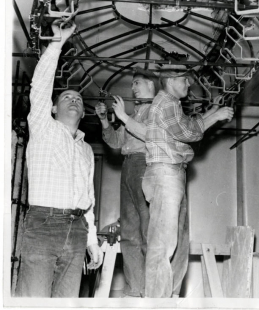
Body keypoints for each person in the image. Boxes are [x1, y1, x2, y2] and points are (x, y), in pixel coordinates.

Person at [16, 20, 103, 298]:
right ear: (53, 107)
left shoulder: (86, 149)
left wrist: (92, 241)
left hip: (77, 230)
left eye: (78, 98)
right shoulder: (43, 127)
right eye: (67, 96)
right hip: (44, 224)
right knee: (33, 299)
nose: (74, 100)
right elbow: (40, 87)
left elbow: (88, 198)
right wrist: (57, 44)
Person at [143, 65, 234, 298]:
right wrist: (215, 116)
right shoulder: (168, 102)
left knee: (166, 243)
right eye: (184, 80)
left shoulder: (166, 104)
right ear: (171, 80)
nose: (189, 84)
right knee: (163, 246)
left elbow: (186, 127)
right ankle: (157, 303)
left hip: (166, 174)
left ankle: (164, 298)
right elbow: (189, 134)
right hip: (166, 174)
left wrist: (211, 111)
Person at [95, 68, 159, 298]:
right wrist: (104, 120)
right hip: (128, 166)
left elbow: (152, 136)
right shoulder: (136, 113)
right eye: (132, 84)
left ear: (152, 86)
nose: (133, 88)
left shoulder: (158, 109)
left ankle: (153, 291)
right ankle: (134, 290)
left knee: (147, 230)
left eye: (138, 83)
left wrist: (123, 116)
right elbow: (115, 141)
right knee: (130, 233)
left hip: (146, 165)